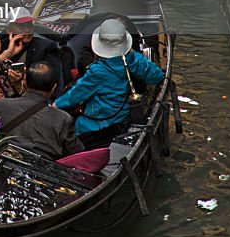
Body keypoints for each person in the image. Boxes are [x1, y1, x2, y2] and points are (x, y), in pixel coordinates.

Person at [54, 19, 164, 150]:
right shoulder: (136, 60)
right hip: (123, 120)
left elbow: (75, 96)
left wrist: (55, 105)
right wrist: (133, 58)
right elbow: (157, 76)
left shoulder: (97, 71)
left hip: (95, 126)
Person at [0, 62, 84, 160]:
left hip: (3, 167)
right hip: (43, 172)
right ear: (54, 87)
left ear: (25, 81)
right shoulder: (63, 119)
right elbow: (77, 156)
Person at [0, 11, 65, 93]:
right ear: (9, 30)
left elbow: (55, 81)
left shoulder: (46, 47)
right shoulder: (0, 47)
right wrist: (7, 54)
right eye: (21, 26)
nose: (27, 29)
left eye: (29, 24)